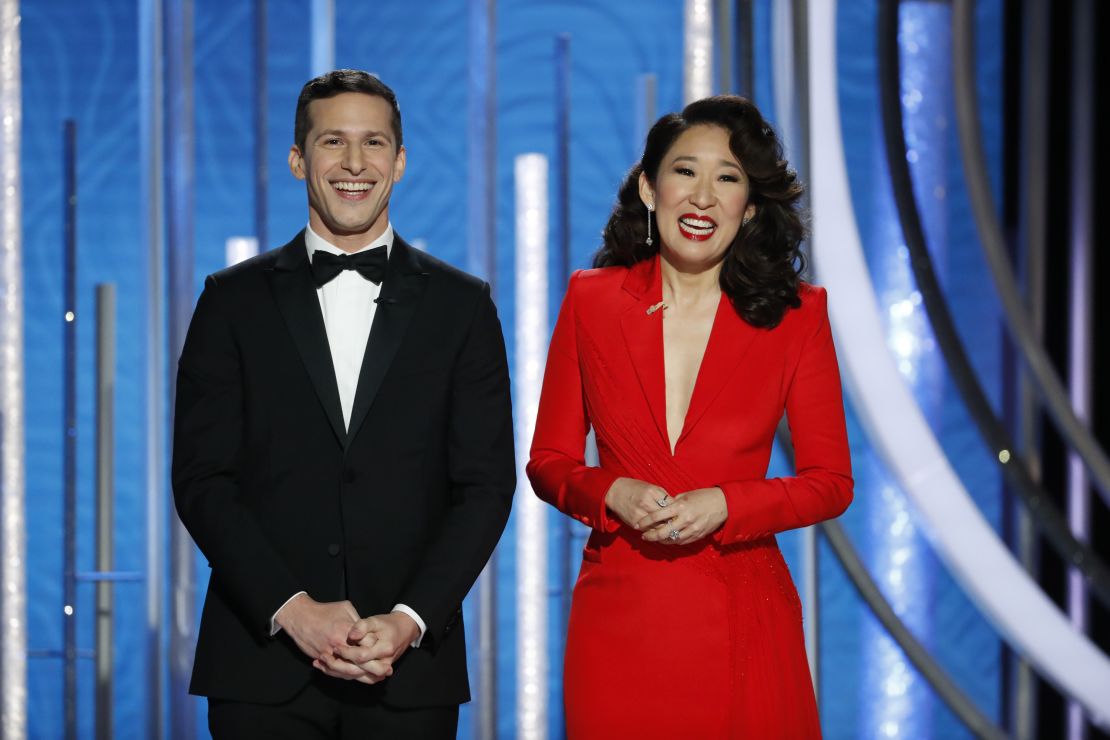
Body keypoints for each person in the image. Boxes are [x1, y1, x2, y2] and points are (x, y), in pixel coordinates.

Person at [172, 69, 515, 739]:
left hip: (408, 673)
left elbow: (484, 486)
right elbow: (202, 479)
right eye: (334, 142)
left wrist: (410, 618)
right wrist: (292, 609)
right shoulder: (230, 300)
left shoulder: (463, 307)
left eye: (374, 143)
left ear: (400, 160)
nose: (355, 164)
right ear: (300, 159)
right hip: (261, 666)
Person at [527, 95, 853, 739]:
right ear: (649, 188)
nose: (702, 196)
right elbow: (549, 462)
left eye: (727, 178)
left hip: (741, 608)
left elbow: (831, 483)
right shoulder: (590, 300)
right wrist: (609, 489)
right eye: (685, 172)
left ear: (750, 206)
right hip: (622, 614)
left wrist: (728, 505)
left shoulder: (796, 315)